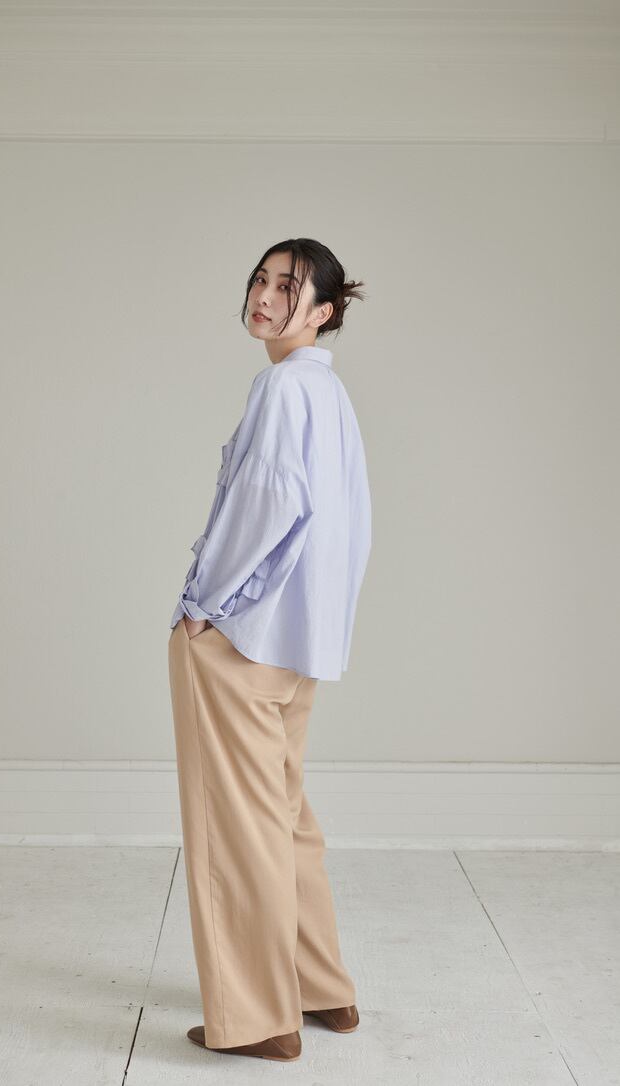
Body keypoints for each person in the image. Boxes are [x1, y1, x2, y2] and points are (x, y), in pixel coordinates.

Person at [167, 237, 372, 1062]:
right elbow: (350, 527)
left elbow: (265, 505)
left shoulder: (283, 388)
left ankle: (258, 1020)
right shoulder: (330, 395)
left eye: (288, 286)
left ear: (323, 310)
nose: (264, 295)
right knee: (285, 820)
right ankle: (322, 990)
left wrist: (202, 606)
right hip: (298, 645)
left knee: (237, 829)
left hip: (243, 642)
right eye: (260, 279)